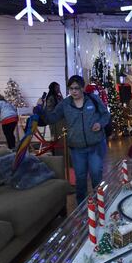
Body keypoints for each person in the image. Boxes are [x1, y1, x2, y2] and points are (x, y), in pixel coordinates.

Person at [37, 75, 110, 204]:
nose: (74, 91)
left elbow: (105, 115)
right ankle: (81, 206)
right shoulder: (65, 104)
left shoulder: (93, 99)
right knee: (80, 178)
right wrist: (40, 110)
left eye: (76, 88)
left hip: (95, 145)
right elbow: (52, 118)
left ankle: (100, 203)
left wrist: (100, 124)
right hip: (77, 148)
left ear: (82, 88)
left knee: (96, 176)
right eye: (71, 89)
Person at [46, 82, 65, 155]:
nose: (58, 89)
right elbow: (50, 109)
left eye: (59, 88)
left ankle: (59, 151)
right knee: (54, 136)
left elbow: (63, 103)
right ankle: (53, 152)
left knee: (59, 136)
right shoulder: (51, 97)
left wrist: (60, 93)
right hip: (53, 120)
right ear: (53, 88)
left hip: (59, 121)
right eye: (57, 88)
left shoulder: (57, 96)